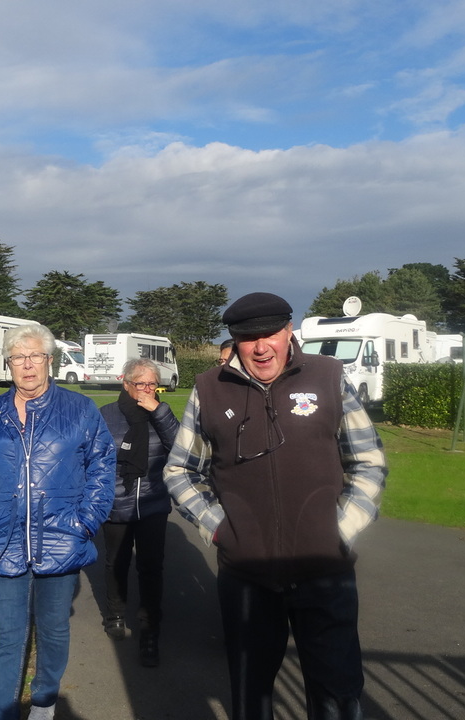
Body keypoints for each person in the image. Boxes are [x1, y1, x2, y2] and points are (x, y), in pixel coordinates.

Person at [164, 292, 388, 720]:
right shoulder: (209, 388)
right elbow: (179, 470)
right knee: (251, 697)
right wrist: (220, 529)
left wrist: (340, 529)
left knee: (338, 695)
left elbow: (368, 460)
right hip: (247, 576)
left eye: (270, 334)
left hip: (325, 571)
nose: (261, 347)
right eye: (249, 338)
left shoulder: (328, 376)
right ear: (235, 340)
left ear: (289, 332)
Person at [0, 323, 116, 720]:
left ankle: (44, 702)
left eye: (35, 356)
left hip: (62, 540)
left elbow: (102, 466)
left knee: (54, 630)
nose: (27, 365)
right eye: (18, 358)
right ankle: (1, 713)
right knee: (7, 638)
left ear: (50, 360)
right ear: (8, 364)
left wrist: (84, 524)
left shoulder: (80, 410)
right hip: (0, 543)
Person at [98, 357, 180, 667]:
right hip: (116, 502)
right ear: (125, 383)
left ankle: (149, 629)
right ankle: (115, 614)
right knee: (115, 562)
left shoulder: (162, 414)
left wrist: (159, 412)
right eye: (140, 384)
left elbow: (181, 448)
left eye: (152, 384)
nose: (146, 390)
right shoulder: (107, 415)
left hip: (152, 502)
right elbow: (93, 458)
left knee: (151, 566)